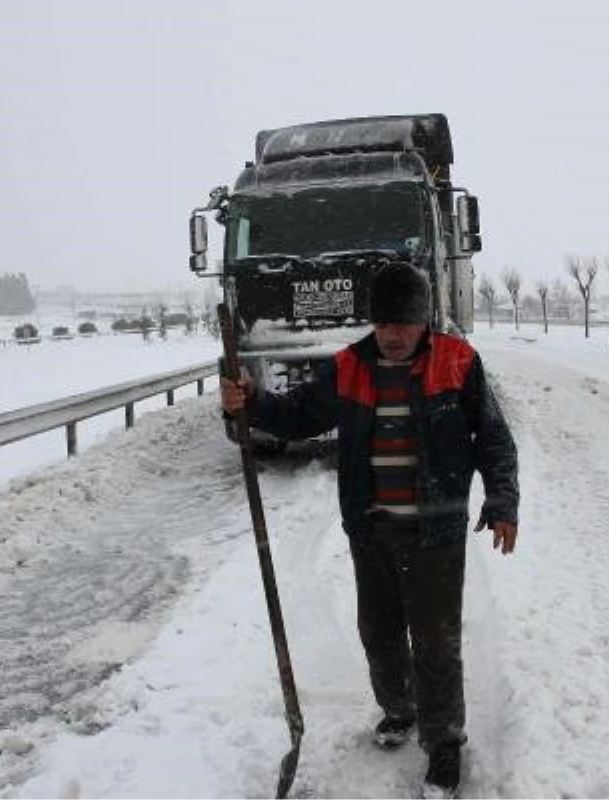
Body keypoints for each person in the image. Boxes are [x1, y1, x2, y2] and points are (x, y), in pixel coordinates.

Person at [220, 260, 519, 798]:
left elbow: (493, 439)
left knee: (435, 640)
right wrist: (251, 403)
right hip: (372, 530)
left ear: (423, 319)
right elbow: (297, 415)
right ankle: (399, 709)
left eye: (403, 323)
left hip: (437, 535)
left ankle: (444, 742)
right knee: (379, 633)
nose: (394, 335)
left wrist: (502, 501)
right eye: (383, 324)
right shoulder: (349, 367)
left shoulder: (457, 362)